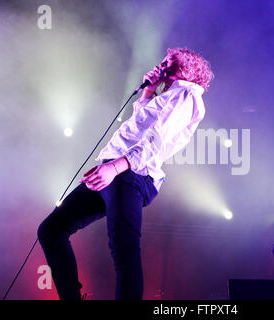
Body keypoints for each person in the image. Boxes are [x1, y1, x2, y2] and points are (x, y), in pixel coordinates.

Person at [37, 47, 214, 300]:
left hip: (129, 174)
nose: (161, 65)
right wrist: (149, 90)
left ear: (186, 67)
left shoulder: (186, 94)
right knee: (51, 230)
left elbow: (154, 140)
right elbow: (139, 125)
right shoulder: (168, 95)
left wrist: (114, 167)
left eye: (168, 61)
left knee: (124, 250)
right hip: (114, 169)